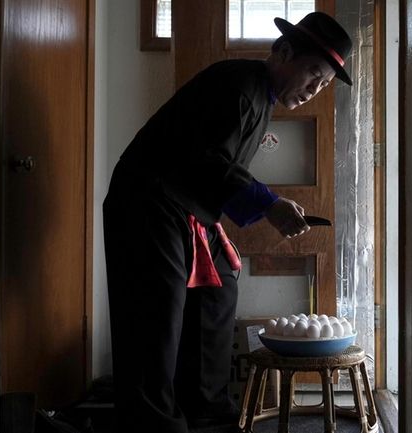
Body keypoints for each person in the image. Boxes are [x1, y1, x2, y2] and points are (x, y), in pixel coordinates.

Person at [102, 11, 353, 433]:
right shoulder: (237, 85)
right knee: (154, 329)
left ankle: (205, 412)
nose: (314, 89)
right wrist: (269, 203)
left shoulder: (260, 98)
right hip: (148, 203)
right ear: (285, 52)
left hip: (185, 210)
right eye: (313, 73)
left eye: (324, 83)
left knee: (218, 291)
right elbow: (207, 160)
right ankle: (154, 424)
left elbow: (218, 167)